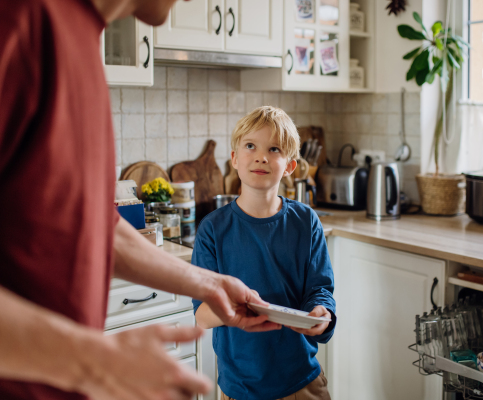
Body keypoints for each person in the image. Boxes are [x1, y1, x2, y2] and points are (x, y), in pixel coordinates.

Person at [0, 1, 278, 399]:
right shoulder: (19, 19)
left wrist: (208, 283)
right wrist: (93, 359)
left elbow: (94, 223)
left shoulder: (82, 39)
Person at [192, 106, 336, 400]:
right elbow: (203, 316)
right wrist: (235, 309)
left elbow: (320, 290)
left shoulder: (306, 222)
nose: (261, 157)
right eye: (250, 146)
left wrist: (324, 314)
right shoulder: (212, 230)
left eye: (274, 149)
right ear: (234, 159)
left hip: (302, 383)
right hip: (239, 388)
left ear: (290, 167)